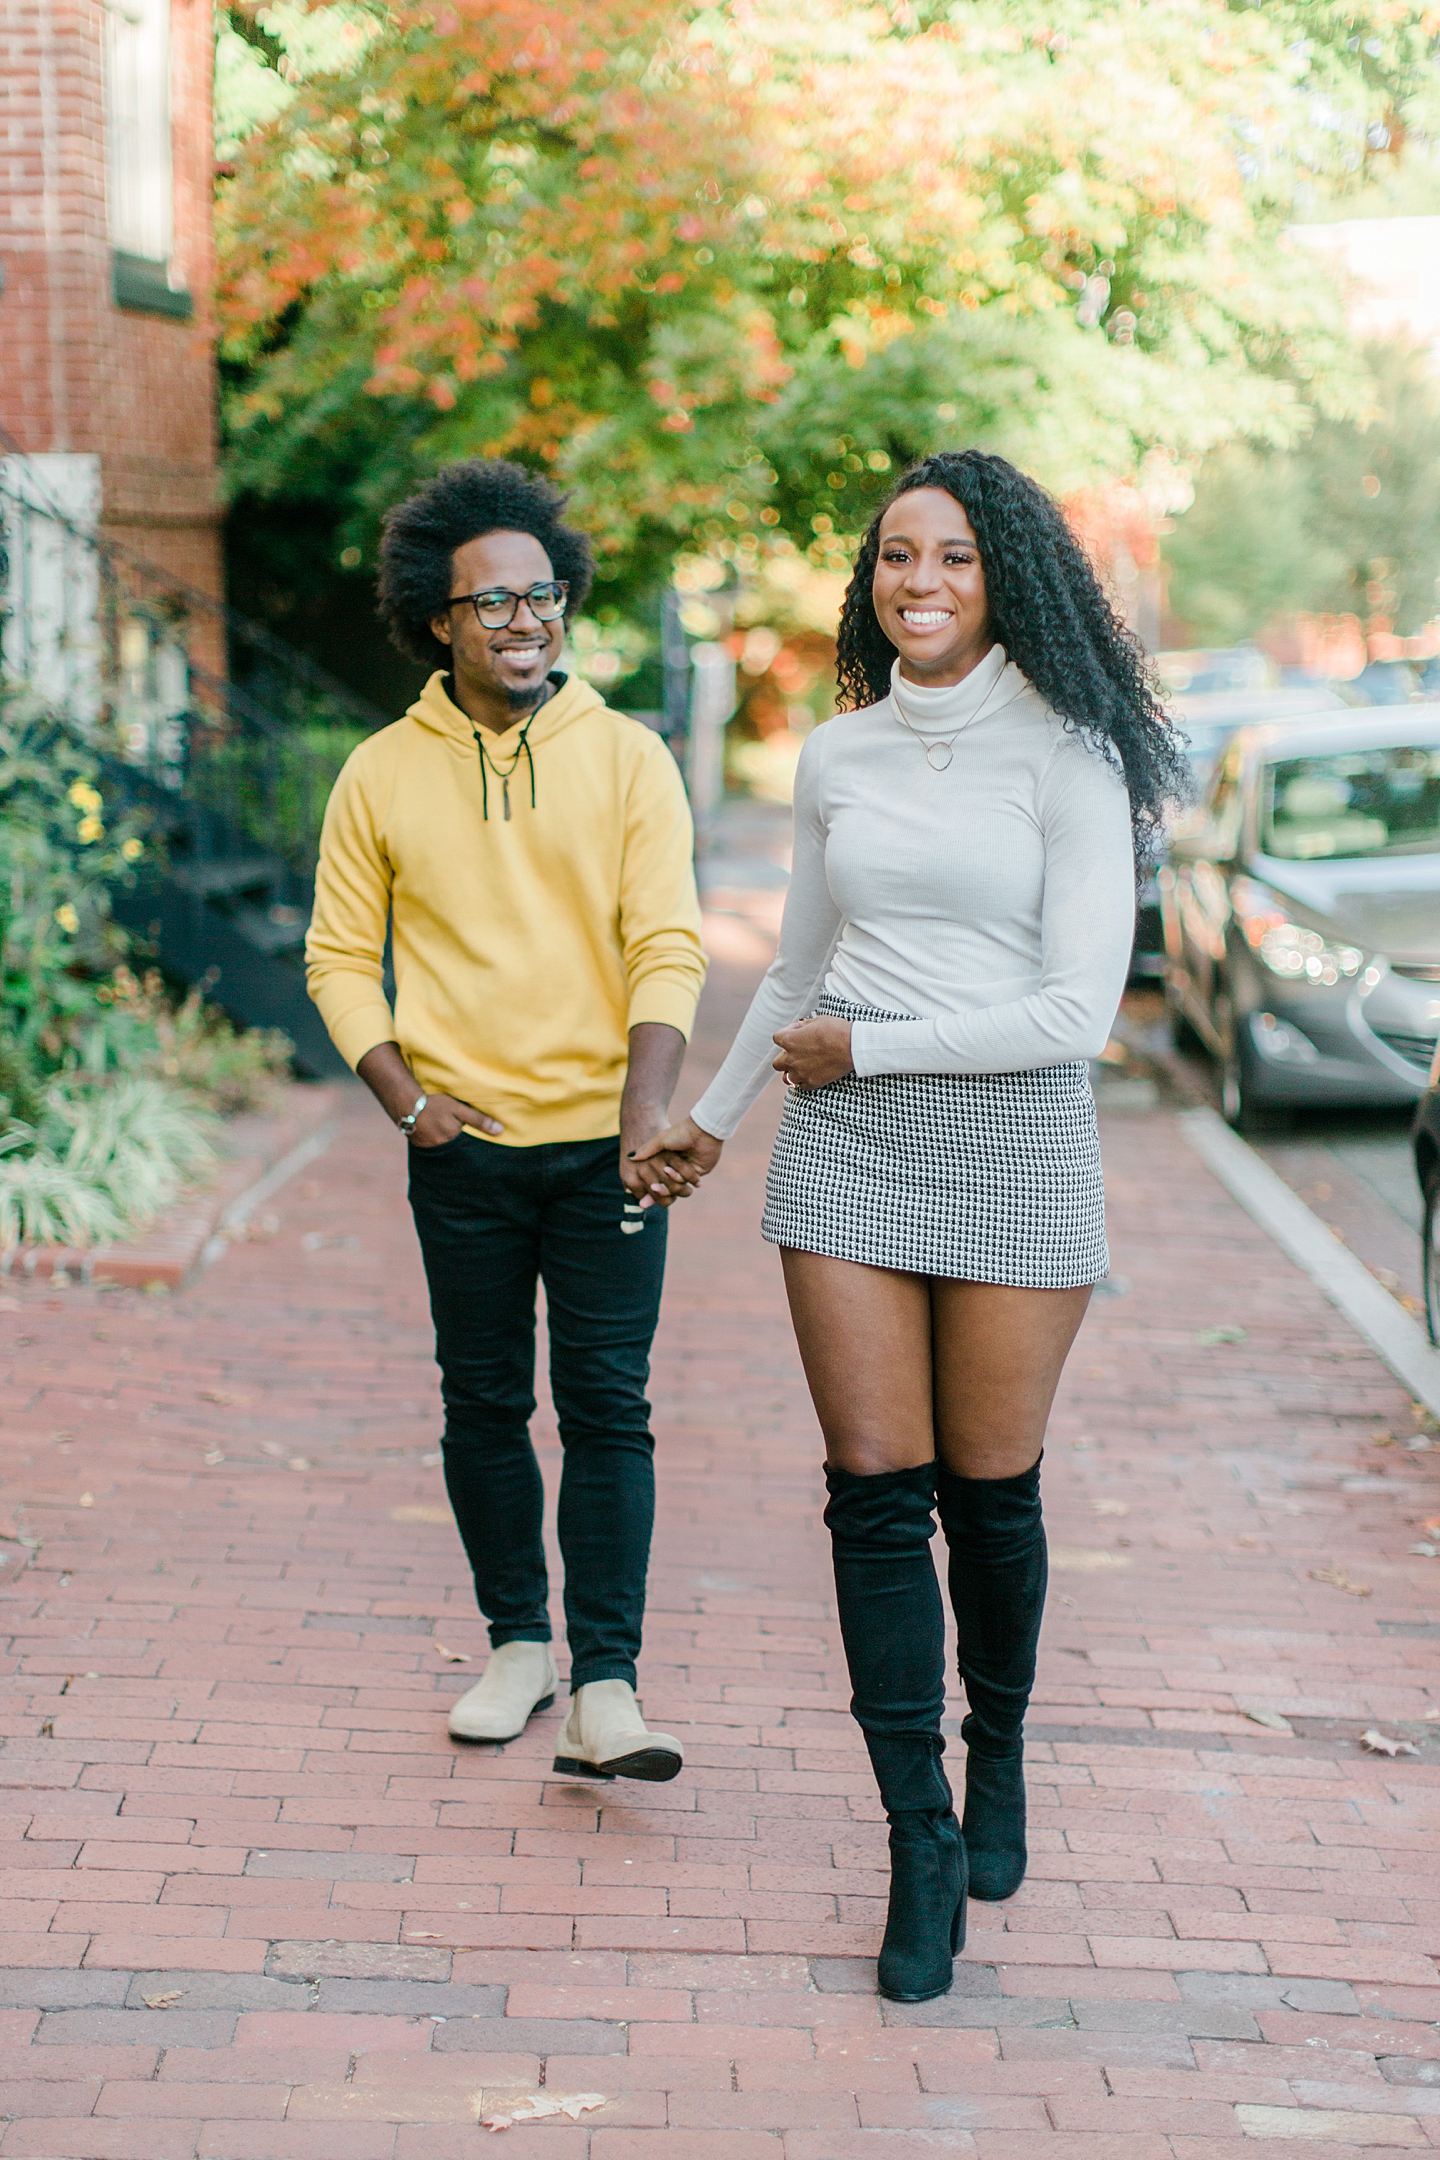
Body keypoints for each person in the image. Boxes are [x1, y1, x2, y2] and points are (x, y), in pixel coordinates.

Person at [638, 449, 1187, 2000]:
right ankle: (918, 1840)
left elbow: (1077, 1013)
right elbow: (802, 970)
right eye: (895, 558)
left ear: (1003, 575)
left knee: (991, 1496)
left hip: (1013, 1144)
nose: (920, 584)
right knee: (877, 1495)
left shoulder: (1074, 758)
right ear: (868, 580)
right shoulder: (841, 757)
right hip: (850, 1151)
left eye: (951, 558)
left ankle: (995, 1743)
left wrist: (862, 1049)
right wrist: (712, 1119)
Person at [306, 458, 707, 1783]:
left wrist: (645, 1116)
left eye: (543, 596)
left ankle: (607, 1687)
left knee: (606, 1410)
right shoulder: (380, 775)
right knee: (482, 1402)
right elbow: (333, 956)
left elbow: (667, 946)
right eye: (493, 603)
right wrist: (407, 1103)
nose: (524, 621)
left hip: (605, 1149)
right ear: (440, 618)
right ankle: (516, 1647)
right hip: (463, 1152)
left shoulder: (628, 759)